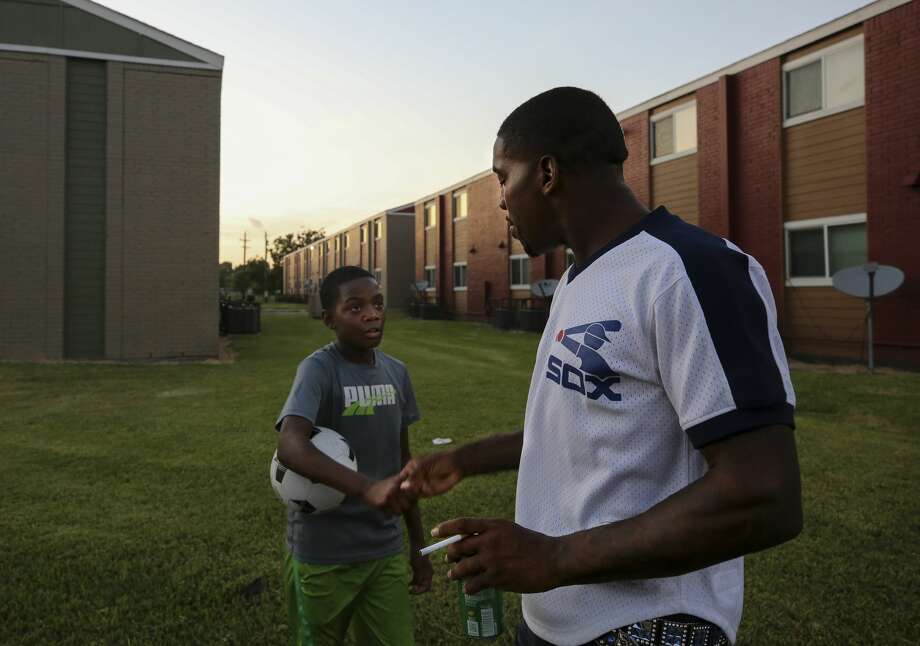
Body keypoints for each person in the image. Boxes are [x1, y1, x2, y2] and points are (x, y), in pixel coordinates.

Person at [401, 87, 802, 646]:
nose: (500, 200)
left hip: (648, 627)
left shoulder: (690, 270)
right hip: (555, 618)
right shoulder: (578, 278)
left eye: (502, 176)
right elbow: (588, 424)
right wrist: (465, 459)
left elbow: (765, 493)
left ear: (546, 173)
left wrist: (557, 556)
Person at [275, 265, 432, 646]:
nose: (372, 314)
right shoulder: (318, 370)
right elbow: (291, 444)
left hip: (384, 550)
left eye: (377, 304)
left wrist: (417, 545)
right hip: (323, 557)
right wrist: (366, 488)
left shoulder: (397, 373)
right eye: (355, 307)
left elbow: (402, 464)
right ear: (330, 319)